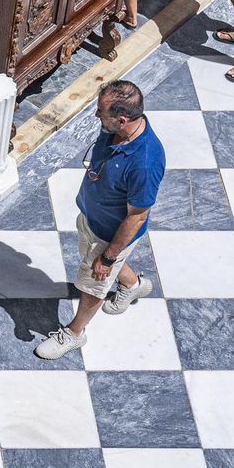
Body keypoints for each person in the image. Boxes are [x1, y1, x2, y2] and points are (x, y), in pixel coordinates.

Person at [36, 80, 165, 360]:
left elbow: (137, 215)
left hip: (110, 235)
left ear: (122, 119)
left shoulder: (144, 162)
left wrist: (108, 258)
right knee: (91, 259)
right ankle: (133, 285)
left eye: (101, 113)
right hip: (92, 220)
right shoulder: (116, 131)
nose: (97, 117)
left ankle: (74, 332)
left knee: (93, 282)